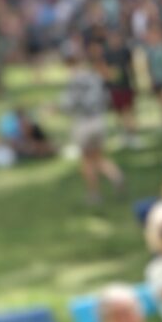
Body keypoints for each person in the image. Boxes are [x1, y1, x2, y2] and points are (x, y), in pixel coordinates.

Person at [62, 42, 122, 205]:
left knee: (87, 160)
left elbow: (68, 104)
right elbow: (106, 98)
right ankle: (116, 176)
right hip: (99, 120)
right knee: (98, 156)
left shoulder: (73, 80)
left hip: (83, 123)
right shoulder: (95, 77)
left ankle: (93, 194)